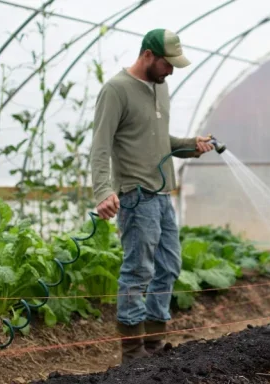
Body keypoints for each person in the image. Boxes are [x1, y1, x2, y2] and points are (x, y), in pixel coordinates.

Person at [89, 28, 215, 363]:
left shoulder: (161, 87)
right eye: (167, 63)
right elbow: (100, 145)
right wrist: (103, 190)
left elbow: (158, 141)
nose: (171, 70)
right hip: (136, 195)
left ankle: (155, 345)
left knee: (169, 266)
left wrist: (191, 145)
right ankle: (133, 352)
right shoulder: (116, 90)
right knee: (138, 271)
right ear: (148, 55)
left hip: (162, 195)